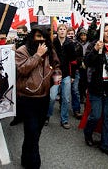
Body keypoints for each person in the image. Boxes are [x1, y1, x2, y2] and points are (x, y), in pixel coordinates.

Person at [16, 24, 61, 169]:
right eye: (38, 36)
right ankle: (34, 163)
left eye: (43, 37)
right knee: (32, 130)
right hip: (27, 97)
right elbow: (22, 69)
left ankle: (25, 156)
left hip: (44, 97)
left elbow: (57, 65)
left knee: (35, 131)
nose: (41, 40)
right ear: (32, 37)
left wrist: (57, 77)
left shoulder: (50, 50)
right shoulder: (22, 50)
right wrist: (37, 55)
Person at [82, 23, 108, 158]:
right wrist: (95, 50)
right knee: (96, 115)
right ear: (101, 33)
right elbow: (87, 62)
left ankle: (105, 145)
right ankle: (88, 133)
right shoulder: (94, 45)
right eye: (105, 31)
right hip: (96, 87)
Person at [46, 24, 77, 129]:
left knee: (65, 98)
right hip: (56, 73)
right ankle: (47, 115)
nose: (62, 31)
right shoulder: (53, 42)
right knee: (52, 97)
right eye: (60, 29)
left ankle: (64, 120)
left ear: (66, 31)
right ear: (57, 31)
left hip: (67, 74)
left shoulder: (70, 43)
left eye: (64, 29)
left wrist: (72, 75)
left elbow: (73, 61)